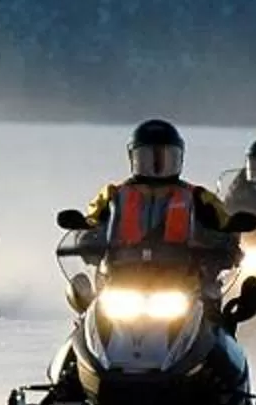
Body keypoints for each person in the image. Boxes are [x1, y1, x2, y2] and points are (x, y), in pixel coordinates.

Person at [80, 120, 243, 288]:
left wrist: (224, 244)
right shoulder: (114, 194)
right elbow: (91, 224)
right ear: (133, 158)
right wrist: (88, 239)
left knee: (211, 298)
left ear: (179, 158)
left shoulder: (197, 196)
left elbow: (224, 225)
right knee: (89, 300)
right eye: (146, 158)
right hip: (121, 275)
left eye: (166, 158)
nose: (156, 166)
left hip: (182, 279)